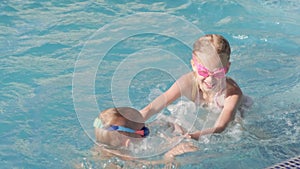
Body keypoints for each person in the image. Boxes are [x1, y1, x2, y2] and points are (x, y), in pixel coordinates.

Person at [140, 34, 245, 140]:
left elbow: (221, 127)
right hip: (206, 113)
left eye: (218, 73)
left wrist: (192, 136)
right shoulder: (187, 83)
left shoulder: (232, 94)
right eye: (204, 72)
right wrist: (132, 122)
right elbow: (152, 108)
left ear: (227, 67)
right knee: (166, 122)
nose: (210, 79)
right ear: (194, 65)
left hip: (238, 116)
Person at [91, 107, 198, 168]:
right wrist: (169, 156)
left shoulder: (99, 149)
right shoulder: (129, 162)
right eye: (144, 132)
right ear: (128, 143)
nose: (147, 130)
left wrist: (171, 124)